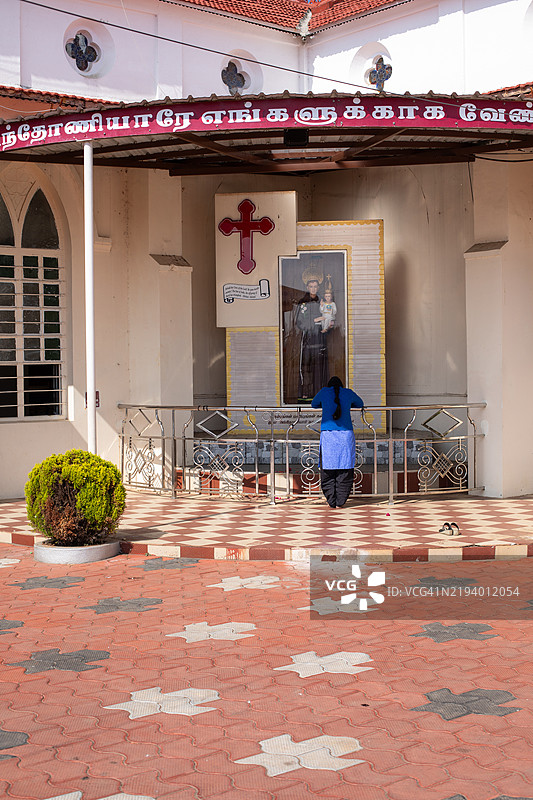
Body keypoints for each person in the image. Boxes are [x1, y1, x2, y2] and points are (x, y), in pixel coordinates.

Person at [312, 376, 364, 508]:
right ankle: (341, 501)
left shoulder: (324, 392)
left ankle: (331, 500)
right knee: (345, 467)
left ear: (329, 385)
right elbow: (360, 403)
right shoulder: (348, 393)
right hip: (346, 435)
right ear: (341, 385)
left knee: (328, 468)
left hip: (328, 436)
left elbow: (314, 404)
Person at [294, 278, 328, 399]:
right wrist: (313, 322)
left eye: (315, 286)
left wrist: (327, 322)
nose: (313, 288)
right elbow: (298, 322)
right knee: (306, 366)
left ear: (318, 288)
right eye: (311, 286)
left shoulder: (322, 301)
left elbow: (329, 316)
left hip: (319, 338)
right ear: (307, 287)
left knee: (319, 366)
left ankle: (318, 393)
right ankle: (306, 392)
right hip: (307, 339)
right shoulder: (303, 303)